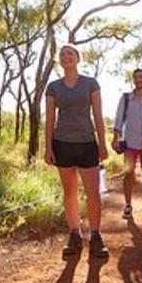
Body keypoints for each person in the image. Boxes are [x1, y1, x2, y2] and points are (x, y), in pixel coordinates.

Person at [45, 44, 110, 260]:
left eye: (70, 53)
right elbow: (50, 119)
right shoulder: (54, 87)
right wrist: (48, 147)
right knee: (69, 191)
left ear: (77, 58)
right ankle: (74, 234)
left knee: (93, 192)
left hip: (86, 143)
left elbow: (98, 116)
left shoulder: (90, 83)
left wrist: (102, 144)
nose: (66, 57)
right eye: (63, 54)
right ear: (60, 61)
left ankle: (96, 237)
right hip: (62, 143)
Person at [111, 68, 142, 220]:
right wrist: (115, 137)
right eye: (136, 77)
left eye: (141, 77)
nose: (138, 79)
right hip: (130, 143)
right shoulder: (126, 98)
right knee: (128, 174)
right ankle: (127, 205)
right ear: (133, 80)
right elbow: (118, 118)